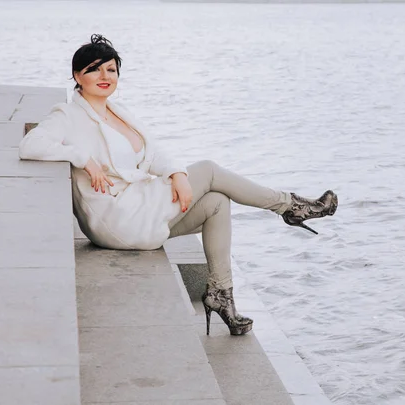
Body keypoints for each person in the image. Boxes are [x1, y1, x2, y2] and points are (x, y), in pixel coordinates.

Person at [18, 34, 338, 336]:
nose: (105, 75)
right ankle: (292, 207)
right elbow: (30, 145)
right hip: (117, 217)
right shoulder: (67, 114)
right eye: (94, 69)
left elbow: (155, 153)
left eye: (111, 69)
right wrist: (82, 158)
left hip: (137, 210)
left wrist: (176, 174)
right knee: (210, 170)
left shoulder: (118, 111)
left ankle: (220, 295)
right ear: (77, 75)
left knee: (216, 203)